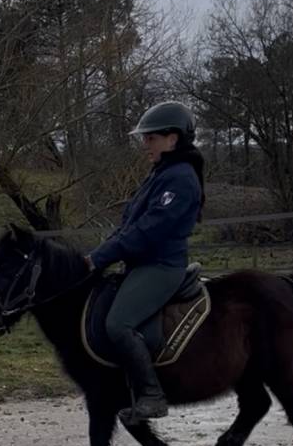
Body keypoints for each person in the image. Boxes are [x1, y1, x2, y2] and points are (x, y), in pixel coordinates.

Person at [85, 101, 205, 421]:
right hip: (142, 264)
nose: (144, 144)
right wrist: (97, 256)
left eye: (150, 138)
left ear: (172, 139)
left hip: (161, 266)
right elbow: (129, 226)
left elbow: (148, 231)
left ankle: (152, 395)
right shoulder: (160, 174)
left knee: (118, 324)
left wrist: (100, 258)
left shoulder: (180, 179)